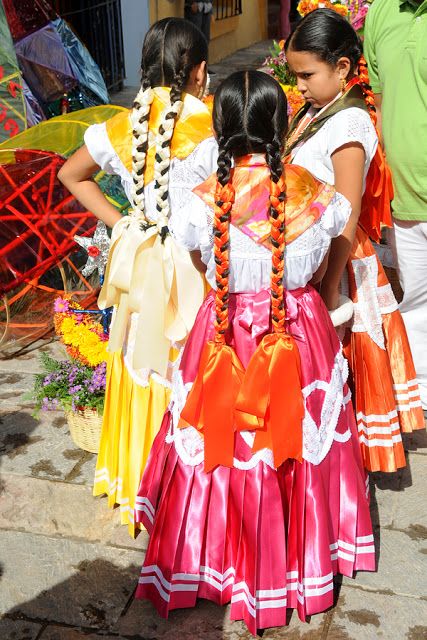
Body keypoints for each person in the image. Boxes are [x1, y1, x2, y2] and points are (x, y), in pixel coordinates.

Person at [133, 70, 374, 635]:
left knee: (222, 445)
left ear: (220, 129)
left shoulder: (198, 203)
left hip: (222, 335)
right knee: (292, 448)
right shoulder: (317, 196)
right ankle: (300, 559)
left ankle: (211, 561)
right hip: (297, 332)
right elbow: (316, 265)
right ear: (280, 123)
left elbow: (201, 263)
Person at [58, 18, 217, 536]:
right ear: (199, 71)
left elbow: (70, 174)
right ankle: (184, 486)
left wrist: (125, 221)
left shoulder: (122, 125)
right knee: (186, 359)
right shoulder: (211, 123)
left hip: (140, 256)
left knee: (137, 359)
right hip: (190, 266)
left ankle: (135, 479)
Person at [284, 8, 425, 473]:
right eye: (295, 75)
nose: (299, 85)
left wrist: (329, 290)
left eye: (307, 74)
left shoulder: (349, 125)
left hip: (338, 259)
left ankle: (338, 465)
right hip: (314, 255)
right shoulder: (316, 112)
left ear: (342, 68)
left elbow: (346, 214)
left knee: (340, 365)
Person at [364, 0, 427, 413]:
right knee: (417, 306)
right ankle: (421, 402)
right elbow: (381, 106)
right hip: (404, 198)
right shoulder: (381, 12)